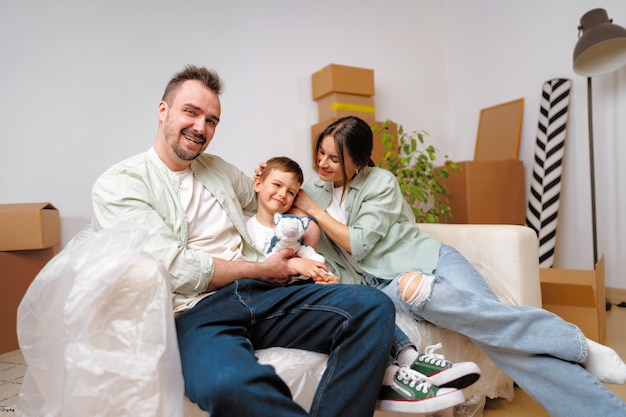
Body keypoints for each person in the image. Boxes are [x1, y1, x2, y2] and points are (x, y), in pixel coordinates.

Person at [90, 65, 402, 417]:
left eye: (211, 120)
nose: (200, 128)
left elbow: (268, 202)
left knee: (373, 306)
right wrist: (263, 269)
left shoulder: (219, 170)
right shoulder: (121, 184)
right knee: (226, 384)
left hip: (264, 296)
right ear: (163, 111)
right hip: (197, 312)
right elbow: (174, 269)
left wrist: (304, 218)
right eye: (191, 112)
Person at [289, 115, 626, 417]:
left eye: (335, 158)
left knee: (494, 331)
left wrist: (314, 211)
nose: (323, 163)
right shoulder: (313, 189)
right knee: (456, 308)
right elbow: (268, 197)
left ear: (358, 161)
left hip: (430, 259)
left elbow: (357, 241)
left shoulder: (381, 182)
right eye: (321, 153)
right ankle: (575, 344)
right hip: (383, 286)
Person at [248, 155, 481, 413]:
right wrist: (295, 266)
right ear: (257, 183)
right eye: (276, 185)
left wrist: (320, 272)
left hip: (307, 289)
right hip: (278, 298)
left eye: (291, 192)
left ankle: (410, 359)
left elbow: (309, 252)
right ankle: (395, 373)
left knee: (363, 299)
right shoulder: (246, 229)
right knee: (358, 306)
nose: (283, 194)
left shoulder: (295, 225)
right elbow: (255, 271)